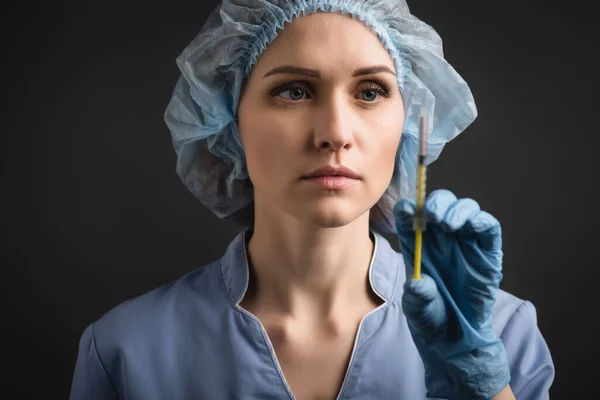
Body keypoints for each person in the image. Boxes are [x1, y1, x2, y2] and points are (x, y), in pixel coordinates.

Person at [70, 1, 555, 399]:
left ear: (410, 120)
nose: (335, 133)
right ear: (228, 118)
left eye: (370, 91)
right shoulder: (126, 352)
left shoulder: (501, 336)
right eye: (294, 91)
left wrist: (483, 390)